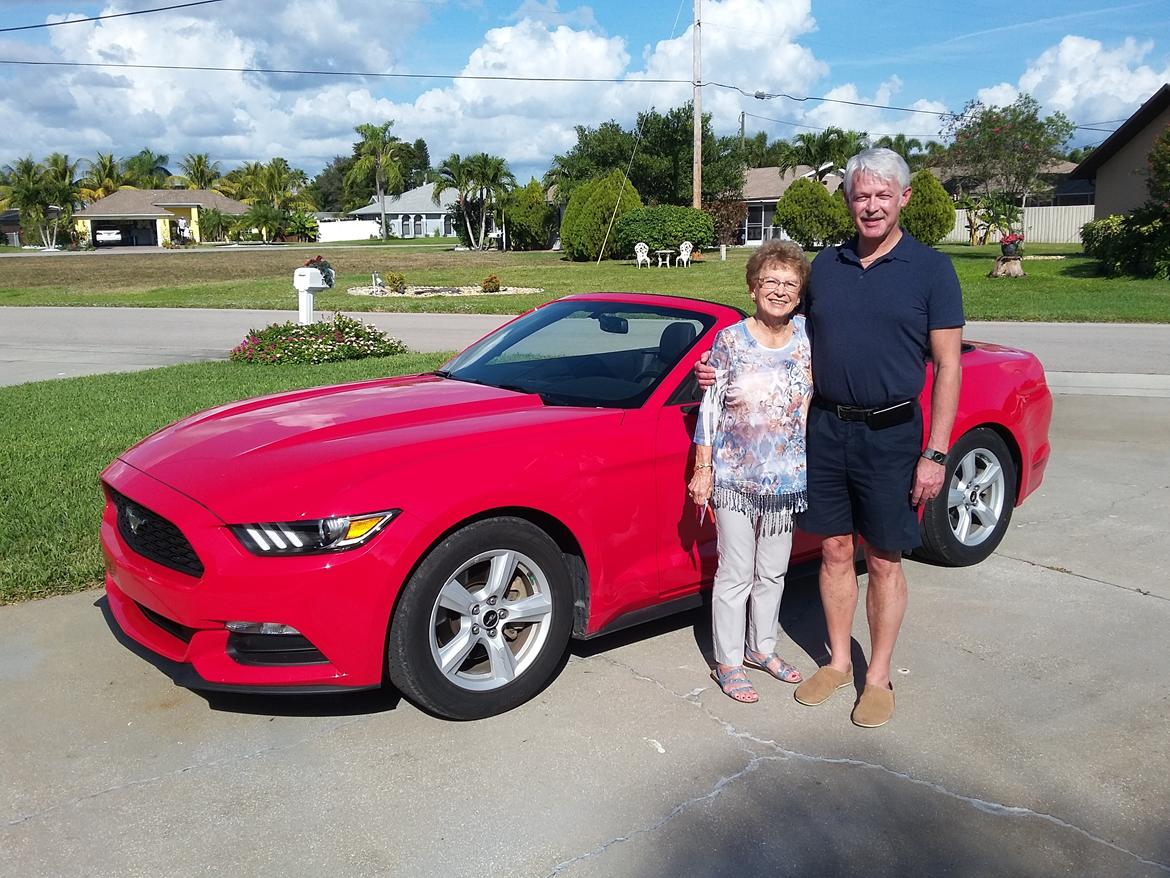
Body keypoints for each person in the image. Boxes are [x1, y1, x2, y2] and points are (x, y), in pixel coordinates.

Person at [695, 148, 964, 726]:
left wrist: (936, 453)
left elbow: (948, 366)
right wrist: (722, 368)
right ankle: (839, 662)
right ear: (848, 200)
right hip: (827, 430)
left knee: (885, 559)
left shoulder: (932, 270)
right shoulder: (828, 267)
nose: (870, 206)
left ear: (903, 199)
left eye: (882, 196)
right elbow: (781, 326)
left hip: (893, 434)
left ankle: (878, 676)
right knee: (836, 550)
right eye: (861, 195)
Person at [689, 240, 813, 703]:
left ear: (799, 295)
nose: (779, 291)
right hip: (735, 477)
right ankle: (728, 662)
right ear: (753, 286)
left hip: (786, 479)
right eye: (771, 282)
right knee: (735, 572)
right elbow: (711, 407)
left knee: (773, 573)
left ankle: (762, 649)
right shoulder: (731, 340)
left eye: (789, 284)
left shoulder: (807, 337)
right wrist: (703, 467)